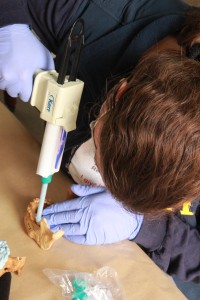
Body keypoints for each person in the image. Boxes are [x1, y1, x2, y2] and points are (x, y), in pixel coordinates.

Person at [1, 0, 200, 295]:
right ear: (118, 92)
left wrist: (145, 229)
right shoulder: (100, 16)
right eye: (97, 145)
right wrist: (8, 24)